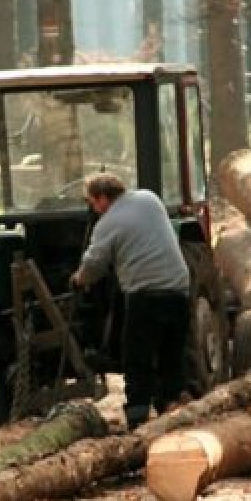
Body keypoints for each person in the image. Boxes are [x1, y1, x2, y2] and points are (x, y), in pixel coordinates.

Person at [70, 173, 190, 430]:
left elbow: (94, 265)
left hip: (145, 295)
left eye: (93, 203)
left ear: (103, 199)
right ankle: (172, 405)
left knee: (137, 358)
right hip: (178, 289)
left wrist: (78, 280)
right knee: (171, 355)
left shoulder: (107, 224)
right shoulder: (150, 199)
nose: (93, 209)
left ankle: (137, 417)